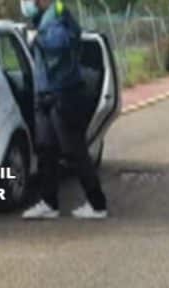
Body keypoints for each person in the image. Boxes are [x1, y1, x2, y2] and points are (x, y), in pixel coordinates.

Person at [21, 0, 108, 220]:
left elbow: (60, 44)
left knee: (74, 150)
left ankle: (97, 204)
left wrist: (38, 38)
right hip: (47, 93)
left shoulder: (57, 16)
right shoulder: (46, 17)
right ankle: (49, 203)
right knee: (46, 150)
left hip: (62, 93)